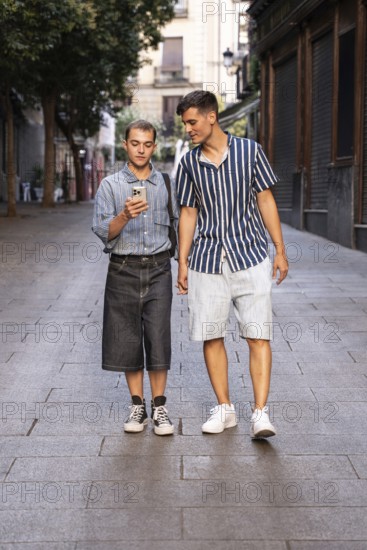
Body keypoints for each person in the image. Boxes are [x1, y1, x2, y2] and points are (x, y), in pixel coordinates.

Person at [175, 91, 288, 438]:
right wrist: (182, 261)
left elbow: (265, 199)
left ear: (211, 117)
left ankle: (260, 414)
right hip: (206, 260)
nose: (188, 129)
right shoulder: (189, 163)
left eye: (192, 122)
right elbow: (188, 213)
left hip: (250, 255)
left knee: (258, 335)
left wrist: (279, 250)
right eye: (185, 124)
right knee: (210, 335)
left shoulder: (250, 151)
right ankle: (224, 408)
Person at [92, 120, 178, 436]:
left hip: (158, 269)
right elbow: (103, 232)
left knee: (157, 336)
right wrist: (125, 215)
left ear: (154, 146)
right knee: (128, 338)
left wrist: (183, 269)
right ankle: (137, 406)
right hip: (122, 268)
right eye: (135, 143)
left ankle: (160, 406)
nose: (141, 149)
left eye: (147, 144)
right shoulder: (110, 186)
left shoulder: (166, 184)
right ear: (126, 145)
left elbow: (178, 225)